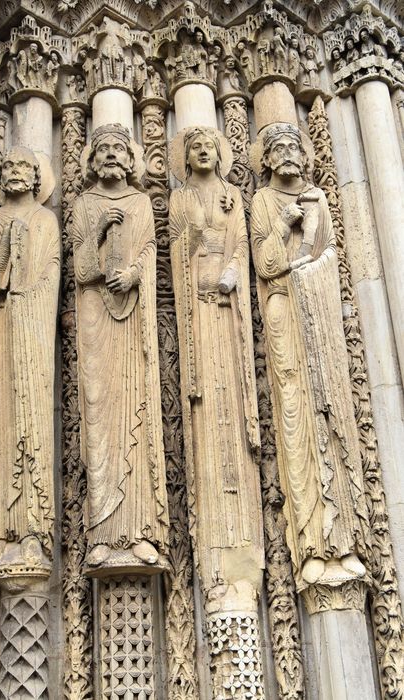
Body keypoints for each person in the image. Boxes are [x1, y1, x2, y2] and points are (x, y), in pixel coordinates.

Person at [251, 123, 369, 588]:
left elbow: (329, 257)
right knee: (296, 416)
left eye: (292, 147)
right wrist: (286, 226)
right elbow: (265, 264)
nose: (286, 154)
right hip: (283, 310)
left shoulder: (319, 198)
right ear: (266, 160)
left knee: (332, 412)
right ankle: (311, 543)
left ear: (306, 155)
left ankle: (344, 539)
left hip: (319, 314)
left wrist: (309, 254)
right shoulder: (263, 202)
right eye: (276, 147)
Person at [169, 127, 263, 601]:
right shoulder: (182, 198)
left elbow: (243, 246)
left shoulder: (232, 196)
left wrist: (230, 273)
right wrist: (203, 237)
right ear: (185, 158)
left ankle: (241, 547)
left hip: (227, 314)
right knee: (205, 406)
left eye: (211, 146)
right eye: (196, 148)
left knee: (229, 410)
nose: (205, 151)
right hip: (197, 316)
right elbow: (175, 247)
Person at [72, 124, 169, 574]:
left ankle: (142, 531)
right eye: (103, 148)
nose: (111, 154)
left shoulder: (141, 203)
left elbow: (149, 251)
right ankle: (101, 535)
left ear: (131, 160)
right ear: (92, 160)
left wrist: (133, 274)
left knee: (137, 416)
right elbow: (79, 269)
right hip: (95, 321)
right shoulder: (83, 204)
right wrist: (95, 232)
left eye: (119, 148)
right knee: (99, 419)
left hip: (132, 318)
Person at [0, 146, 60, 572]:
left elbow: (51, 278)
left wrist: (25, 293)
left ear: (35, 177)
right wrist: (8, 251)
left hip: (33, 332)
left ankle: (33, 532)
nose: (14, 173)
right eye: (6, 167)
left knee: (32, 424)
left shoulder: (47, 221)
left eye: (22, 168)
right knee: (0, 426)